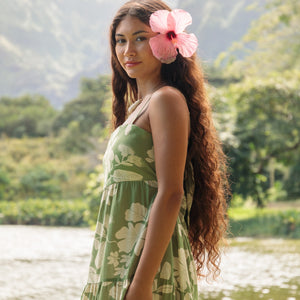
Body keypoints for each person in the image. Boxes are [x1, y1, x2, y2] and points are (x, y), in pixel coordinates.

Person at [81, 0, 229, 299]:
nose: (128, 51)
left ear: (166, 43)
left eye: (140, 38)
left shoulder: (166, 100)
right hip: (119, 258)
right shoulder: (138, 108)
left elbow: (171, 192)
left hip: (146, 266)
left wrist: (141, 282)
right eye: (120, 41)